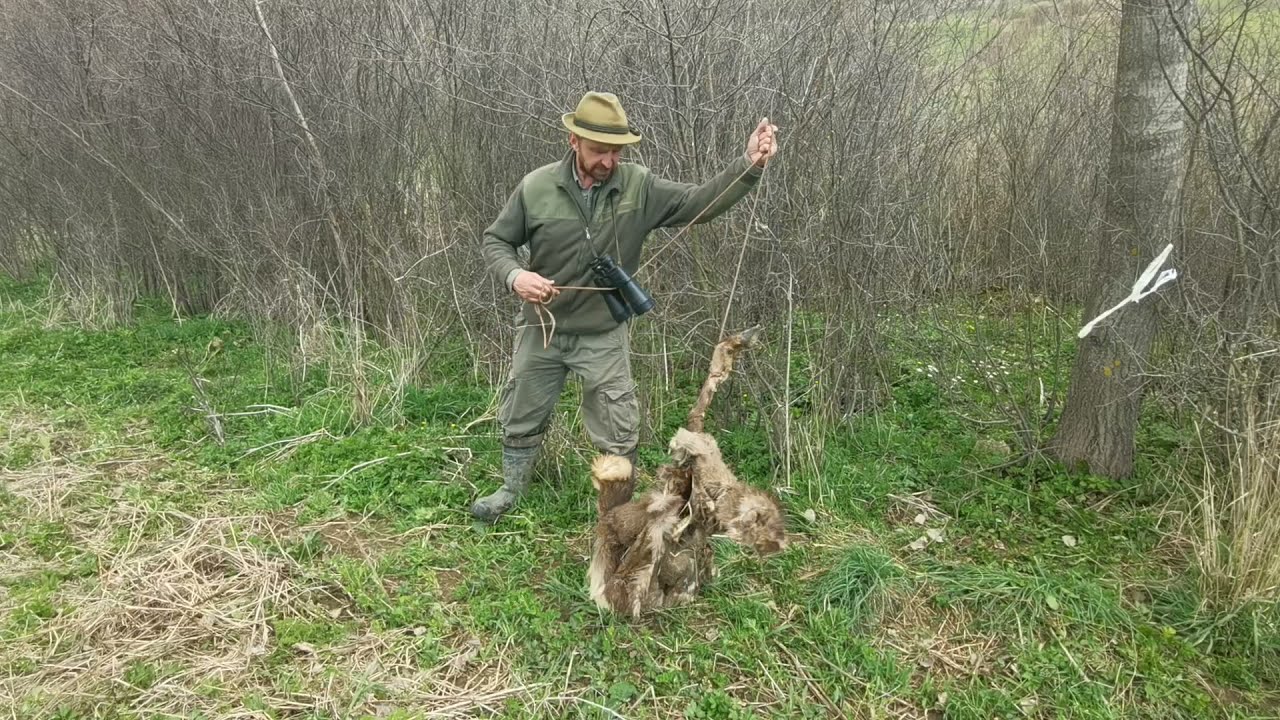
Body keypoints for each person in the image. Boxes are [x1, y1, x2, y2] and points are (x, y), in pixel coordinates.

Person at [472, 90, 778, 523]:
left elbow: (700, 203)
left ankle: (619, 516)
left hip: (602, 333)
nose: (609, 161)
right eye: (599, 151)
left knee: (617, 426)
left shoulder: (639, 185)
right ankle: (511, 490)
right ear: (573, 142)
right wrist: (516, 276)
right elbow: (496, 241)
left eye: (616, 152)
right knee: (521, 411)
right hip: (541, 329)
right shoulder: (537, 186)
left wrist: (748, 166)